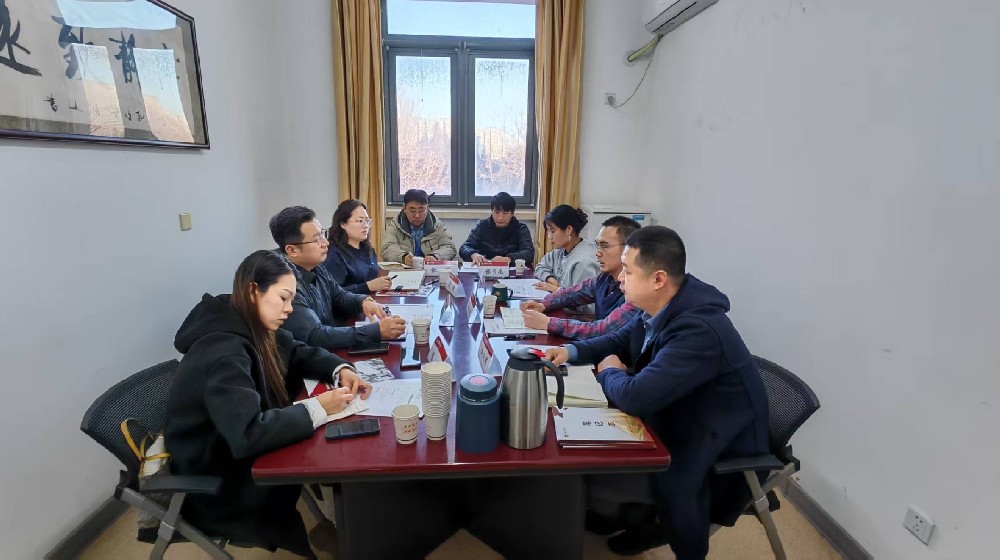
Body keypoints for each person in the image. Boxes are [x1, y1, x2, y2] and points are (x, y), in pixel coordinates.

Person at [546, 226, 769, 559]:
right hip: (679, 410)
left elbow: (635, 397)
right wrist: (571, 352)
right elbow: (617, 341)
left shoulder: (698, 329)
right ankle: (628, 517)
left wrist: (608, 371)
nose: (620, 279)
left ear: (658, 279)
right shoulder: (661, 305)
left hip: (715, 440)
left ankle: (676, 541)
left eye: (628, 271)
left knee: (599, 467)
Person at [165, 250, 373, 556]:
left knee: (327, 443)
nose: (289, 309)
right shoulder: (223, 351)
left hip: (231, 446)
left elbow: (297, 351)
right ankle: (351, 530)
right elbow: (248, 434)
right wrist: (319, 407)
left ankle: (345, 524)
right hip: (219, 478)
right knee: (326, 447)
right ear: (253, 291)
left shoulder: (246, 319)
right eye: (283, 298)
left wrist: (339, 369)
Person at [270, 206, 406, 349]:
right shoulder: (287, 287)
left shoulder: (316, 267)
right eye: (317, 239)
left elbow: (340, 295)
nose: (326, 243)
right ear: (292, 250)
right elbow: (316, 336)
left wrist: (363, 302)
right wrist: (376, 331)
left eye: (323, 234)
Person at [520, 216, 643, 339]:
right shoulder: (605, 278)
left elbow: (602, 330)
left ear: (628, 249)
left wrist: (548, 322)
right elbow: (574, 293)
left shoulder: (634, 293)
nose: (597, 253)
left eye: (604, 246)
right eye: (598, 245)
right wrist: (543, 304)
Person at [531, 205, 600, 314]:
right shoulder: (560, 251)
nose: (549, 237)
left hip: (578, 318)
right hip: (559, 307)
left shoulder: (584, 262)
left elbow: (586, 306)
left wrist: (557, 290)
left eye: (552, 231)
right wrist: (551, 279)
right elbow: (540, 267)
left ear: (568, 230)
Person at [323, 199, 392, 294]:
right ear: (343, 224)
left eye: (367, 221)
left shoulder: (369, 250)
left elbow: (370, 278)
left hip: (372, 300)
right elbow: (332, 293)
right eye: (359, 221)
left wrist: (382, 282)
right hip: (350, 303)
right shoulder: (334, 253)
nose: (365, 226)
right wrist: (368, 287)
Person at [381, 189, 457, 266]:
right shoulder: (396, 225)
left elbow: (449, 248)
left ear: (427, 208)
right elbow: (387, 248)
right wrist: (403, 257)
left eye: (421, 210)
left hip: (430, 269)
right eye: (412, 211)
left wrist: (435, 256)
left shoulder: (436, 225)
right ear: (404, 208)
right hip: (405, 270)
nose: (417, 215)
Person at [459, 191, 534, 265]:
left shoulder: (521, 229)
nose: (500, 217)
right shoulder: (482, 226)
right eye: (496, 212)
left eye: (505, 213)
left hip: (510, 269)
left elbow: (529, 253)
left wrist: (509, 259)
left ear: (512, 213)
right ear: (492, 211)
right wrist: (473, 254)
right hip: (484, 267)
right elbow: (464, 247)